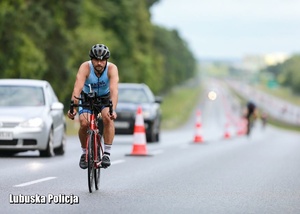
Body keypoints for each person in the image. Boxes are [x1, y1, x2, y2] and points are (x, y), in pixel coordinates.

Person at [67, 44, 119, 169]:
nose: (99, 63)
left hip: (105, 98)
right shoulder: (85, 67)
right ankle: (85, 153)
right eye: (96, 59)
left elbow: (114, 90)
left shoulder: (112, 69)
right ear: (91, 59)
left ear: (106, 60)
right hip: (87, 97)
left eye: (102, 60)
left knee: (107, 118)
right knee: (84, 123)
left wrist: (113, 110)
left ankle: (106, 154)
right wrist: (73, 108)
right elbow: (77, 88)